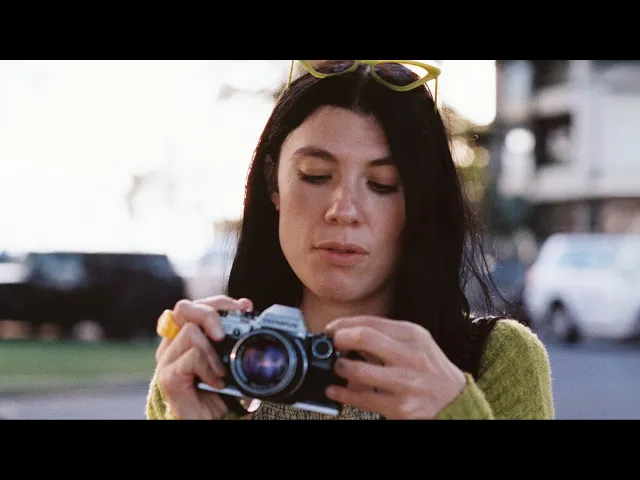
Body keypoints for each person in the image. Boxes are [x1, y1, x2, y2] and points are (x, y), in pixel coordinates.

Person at [145, 60, 554, 420]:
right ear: (274, 184)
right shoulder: (208, 366)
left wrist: (454, 411)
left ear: (422, 202)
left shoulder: (495, 361)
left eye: (383, 183)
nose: (344, 210)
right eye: (316, 175)